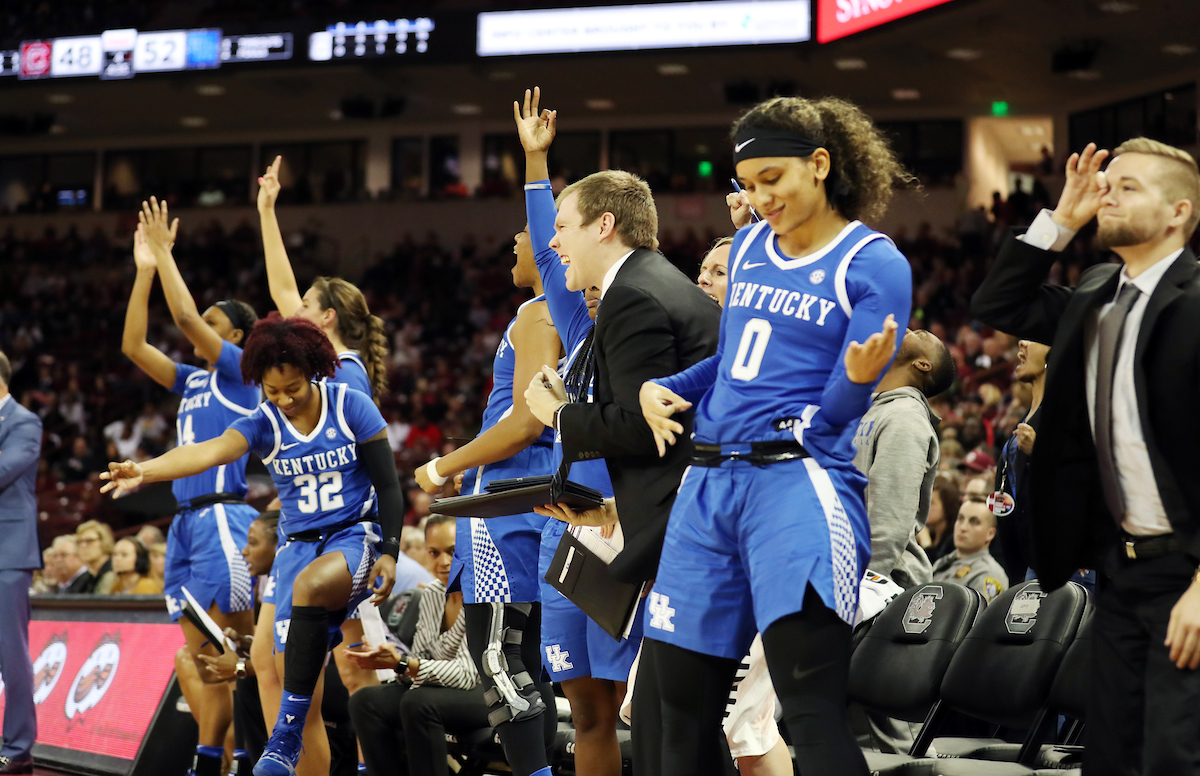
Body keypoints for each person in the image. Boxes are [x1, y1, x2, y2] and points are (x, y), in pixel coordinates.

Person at [635, 95, 913, 776]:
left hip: (797, 486)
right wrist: (671, 388)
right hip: (707, 487)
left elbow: (841, 413)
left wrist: (852, 383)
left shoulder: (873, 264)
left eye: (773, 180)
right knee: (680, 714)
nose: (759, 200)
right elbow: (731, 359)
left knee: (811, 712)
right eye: (749, 184)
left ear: (820, 165)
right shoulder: (753, 245)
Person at [971, 139, 1200, 775]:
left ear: (1178, 212)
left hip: (1188, 568)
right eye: (1107, 184)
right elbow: (996, 306)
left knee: (1173, 756)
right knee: (1109, 754)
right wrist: (1061, 223)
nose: (1109, 195)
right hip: (1116, 569)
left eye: (1129, 187)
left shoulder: (1196, 302)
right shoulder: (1095, 292)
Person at [100, 314, 401, 776]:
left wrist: (391, 549)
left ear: (315, 372)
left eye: (293, 388)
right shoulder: (264, 421)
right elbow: (208, 449)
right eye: (271, 390)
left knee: (308, 588)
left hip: (353, 537)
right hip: (297, 547)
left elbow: (389, 485)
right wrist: (146, 470)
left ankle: (283, 735)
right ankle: (292, 738)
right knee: (292, 684)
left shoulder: (351, 405)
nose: (282, 399)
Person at [521, 135, 720, 776]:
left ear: (604, 226)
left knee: (675, 726)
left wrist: (561, 415)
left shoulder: (632, 295)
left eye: (563, 227)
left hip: (681, 532)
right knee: (674, 720)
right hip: (684, 522)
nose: (555, 242)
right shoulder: (655, 283)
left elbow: (644, 429)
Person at [413, 132, 562, 776]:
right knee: (532, 658)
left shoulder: (538, 310)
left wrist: (444, 466)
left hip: (506, 497)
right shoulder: (560, 314)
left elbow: (527, 420)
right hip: (538, 494)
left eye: (523, 236)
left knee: (500, 657)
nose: (515, 244)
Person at [515, 87, 643, 776]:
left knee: (638, 706)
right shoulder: (579, 333)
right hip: (563, 533)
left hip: (623, 530)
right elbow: (547, 249)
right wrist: (537, 163)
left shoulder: (648, 333)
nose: (584, 290)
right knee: (585, 708)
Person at [257, 158, 392, 742]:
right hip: (314, 535)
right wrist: (267, 212)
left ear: (327, 318)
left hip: (345, 535)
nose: (292, 312)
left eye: (304, 307)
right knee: (289, 668)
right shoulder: (325, 375)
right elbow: (283, 290)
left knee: (348, 672)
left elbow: (371, 469)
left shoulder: (346, 383)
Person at [128, 199, 262, 776]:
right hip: (184, 523)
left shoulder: (239, 372)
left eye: (213, 320)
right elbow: (134, 347)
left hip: (221, 520)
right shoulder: (191, 380)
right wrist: (143, 272)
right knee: (202, 655)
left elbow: (183, 320)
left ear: (234, 334)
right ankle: (222, 759)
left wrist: (165, 253)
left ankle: (221, 760)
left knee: (233, 654)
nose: (199, 325)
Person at [346, 515, 490, 776]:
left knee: (418, 702)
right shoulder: (434, 593)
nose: (443, 562)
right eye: (434, 553)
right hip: (441, 690)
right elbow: (421, 655)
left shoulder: (484, 593)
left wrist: (403, 664)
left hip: (491, 692)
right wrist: (389, 655)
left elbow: (470, 674)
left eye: (452, 551)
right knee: (365, 701)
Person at [853, 328, 956, 589]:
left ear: (922, 364)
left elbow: (890, 517)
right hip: (844, 567)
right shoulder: (869, 409)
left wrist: (868, 587)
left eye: (919, 334)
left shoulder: (906, 418)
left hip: (878, 583)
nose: (906, 328)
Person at [0, 349, 42, 775]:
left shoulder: (24, 421)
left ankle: (17, 747)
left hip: (7, 551)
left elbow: (5, 468)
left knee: (11, 653)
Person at [993, 339, 1049, 584]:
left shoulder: (1073, 413)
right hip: (1024, 566)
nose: (1022, 342)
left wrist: (1040, 452)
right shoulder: (1028, 414)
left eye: (1034, 336)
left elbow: (1089, 483)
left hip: (1063, 566)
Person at [930, 499, 1008, 601]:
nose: (963, 527)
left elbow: (983, 616)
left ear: (990, 534)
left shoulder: (989, 573)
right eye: (960, 519)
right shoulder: (943, 563)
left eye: (974, 522)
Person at [917, 475, 960, 565]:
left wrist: (926, 542)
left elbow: (934, 570)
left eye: (931, 503)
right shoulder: (932, 535)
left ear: (947, 506)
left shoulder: (952, 541)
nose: (925, 507)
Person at [75, 520, 116, 594]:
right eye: (80, 542)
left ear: (104, 541)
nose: (83, 546)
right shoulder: (87, 579)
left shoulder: (113, 574)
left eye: (89, 541)